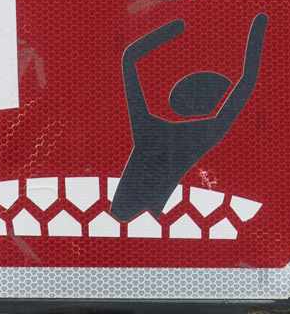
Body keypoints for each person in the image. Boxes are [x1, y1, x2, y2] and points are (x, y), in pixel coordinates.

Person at [109, 15, 268, 223]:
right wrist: (257, 34)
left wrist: (170, 30)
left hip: (119, 221)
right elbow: (247, 81)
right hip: (140, 223)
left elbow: (129, 59)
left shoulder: (148, 128)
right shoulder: (204, 136)